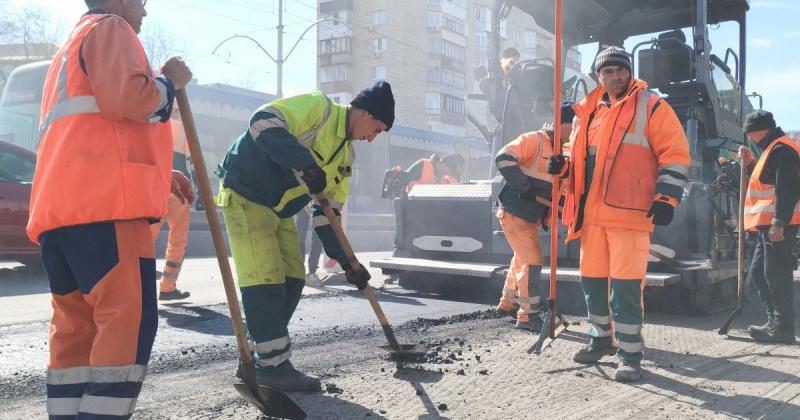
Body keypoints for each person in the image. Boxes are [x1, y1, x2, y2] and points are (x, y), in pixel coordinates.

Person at [27, 0, 193, 418]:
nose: (144, 12)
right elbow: (131, 99)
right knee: (126, 329)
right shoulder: (111, 27)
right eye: (141, 1)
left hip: (62, 215)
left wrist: (161, 176)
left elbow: (96, 132)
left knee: (75, 335)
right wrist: (169, 82)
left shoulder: (71, 45)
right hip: (107, 215)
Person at [215, 81, 395, 392]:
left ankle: (262, 357)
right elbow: (262, 121)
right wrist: (305, 162)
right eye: (375, 129)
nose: (371, 138)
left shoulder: (345, 158)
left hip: (279, 209)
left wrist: (348, 263)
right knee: (266, 278)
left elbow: (328, 217)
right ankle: (272, 368)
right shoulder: (319, 109)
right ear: (363, 112)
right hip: (247, 192)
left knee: (293, 279)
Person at [548, 46, 690, 382]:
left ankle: (629, 354)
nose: (615, 76)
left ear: (630, 72)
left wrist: (667, 197)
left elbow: (676, 154)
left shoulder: (653, 106)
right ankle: (601, 340)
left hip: (630, 215)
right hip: (591, 218)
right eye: (607, 71)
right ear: (598, 76)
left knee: (625, 288)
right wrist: (562, 166)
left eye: (620, 70)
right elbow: (581, 161)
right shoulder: (589, 113)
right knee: (593, 283)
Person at [495, 102, 574, 332]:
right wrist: (524, 187)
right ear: (564, 125)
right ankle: (528, 316)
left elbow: (558, 191)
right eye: (575, 126)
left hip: (530, 216)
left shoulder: (562, 154)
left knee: (521, 259)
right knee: (532, 260)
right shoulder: (534, 140)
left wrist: (559, 213)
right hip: (514, 211)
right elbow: (504, 158)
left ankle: (507, 303)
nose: (577, 131)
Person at [739, 110, 800, 344]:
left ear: (759, 130)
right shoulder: (770, 150)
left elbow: (789, 188)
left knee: (776, 274)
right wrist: (750, 163)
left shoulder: (782, 149)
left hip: (778, 225)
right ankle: (774, 321)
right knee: (759, 273)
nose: (750, 138)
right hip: (768, 226)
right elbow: (765, 182)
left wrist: (779, 222)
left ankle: (783, 328)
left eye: (750, 133)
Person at [150, 106, 195, 300]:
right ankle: (167, 287)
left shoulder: (151, 122)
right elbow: (193, 162)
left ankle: (138, 288)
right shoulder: (185, 127)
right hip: (179, 190)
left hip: (155, 184)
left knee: (145, 239)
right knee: (178, 238)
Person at [295, 202, 324, 285]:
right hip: (303, 202)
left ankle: (312, 273)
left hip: (320, 204)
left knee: (318, 238)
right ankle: (299, 272)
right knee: (300, 238)